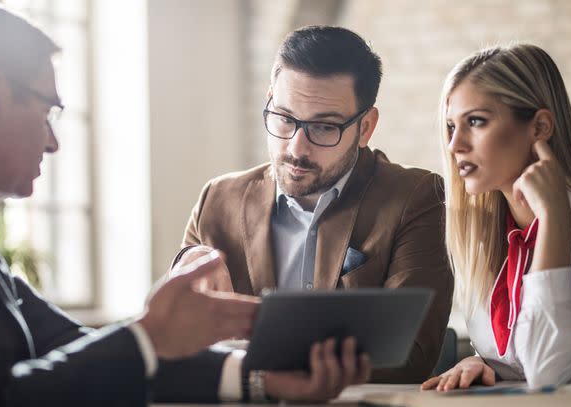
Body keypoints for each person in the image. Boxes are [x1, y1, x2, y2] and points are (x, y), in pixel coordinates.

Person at [0, 2, 369, 406]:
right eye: (47, 112)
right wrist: (148, 336)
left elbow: (67, 346)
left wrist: (261, 378)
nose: (52, 142)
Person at [173, 25, 453, 384]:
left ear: (365, 127)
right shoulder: (218, 199)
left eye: (323, 128)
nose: (296, 148)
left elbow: (410, 355)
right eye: (285, 119)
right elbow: (177, 339)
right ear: (270, 100)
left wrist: (259, 363)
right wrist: (182, 266)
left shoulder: (418, 198)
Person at [421, 43, 571, 391]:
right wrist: (487, 363)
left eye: (476, 121)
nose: (455, 145)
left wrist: (554, 217)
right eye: (452, 126)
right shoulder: (485, 234)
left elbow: (550, 370)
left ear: (540, 127)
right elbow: (524, 359)